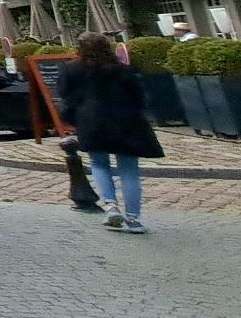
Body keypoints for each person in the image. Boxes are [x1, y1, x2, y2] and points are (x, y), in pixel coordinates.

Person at [62, 32, 166, 234]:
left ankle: (111, 206)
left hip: (92, 121)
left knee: (99, 164)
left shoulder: (72, 69)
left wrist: (74, 116)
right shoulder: (123, 69)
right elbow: (139, 97)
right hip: (125, 120)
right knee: (129, 170)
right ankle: (134, 219)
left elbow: (66, 96)